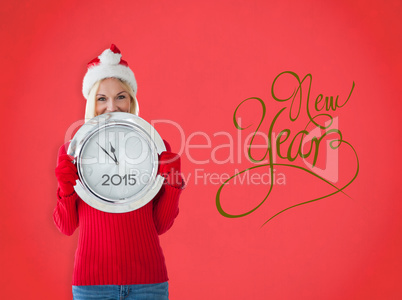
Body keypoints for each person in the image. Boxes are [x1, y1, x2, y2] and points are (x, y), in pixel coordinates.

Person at [54, 44, 184, 300]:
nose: (112, 107)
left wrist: (172, 185)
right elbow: (66, 227)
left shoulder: (155, 148)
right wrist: (66, 189)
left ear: (132, 100)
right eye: (102, 98)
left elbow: (159, 225)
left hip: (149, 282)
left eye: (121, 96)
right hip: (92, 285)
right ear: (92, 102)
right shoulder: (72, 151)